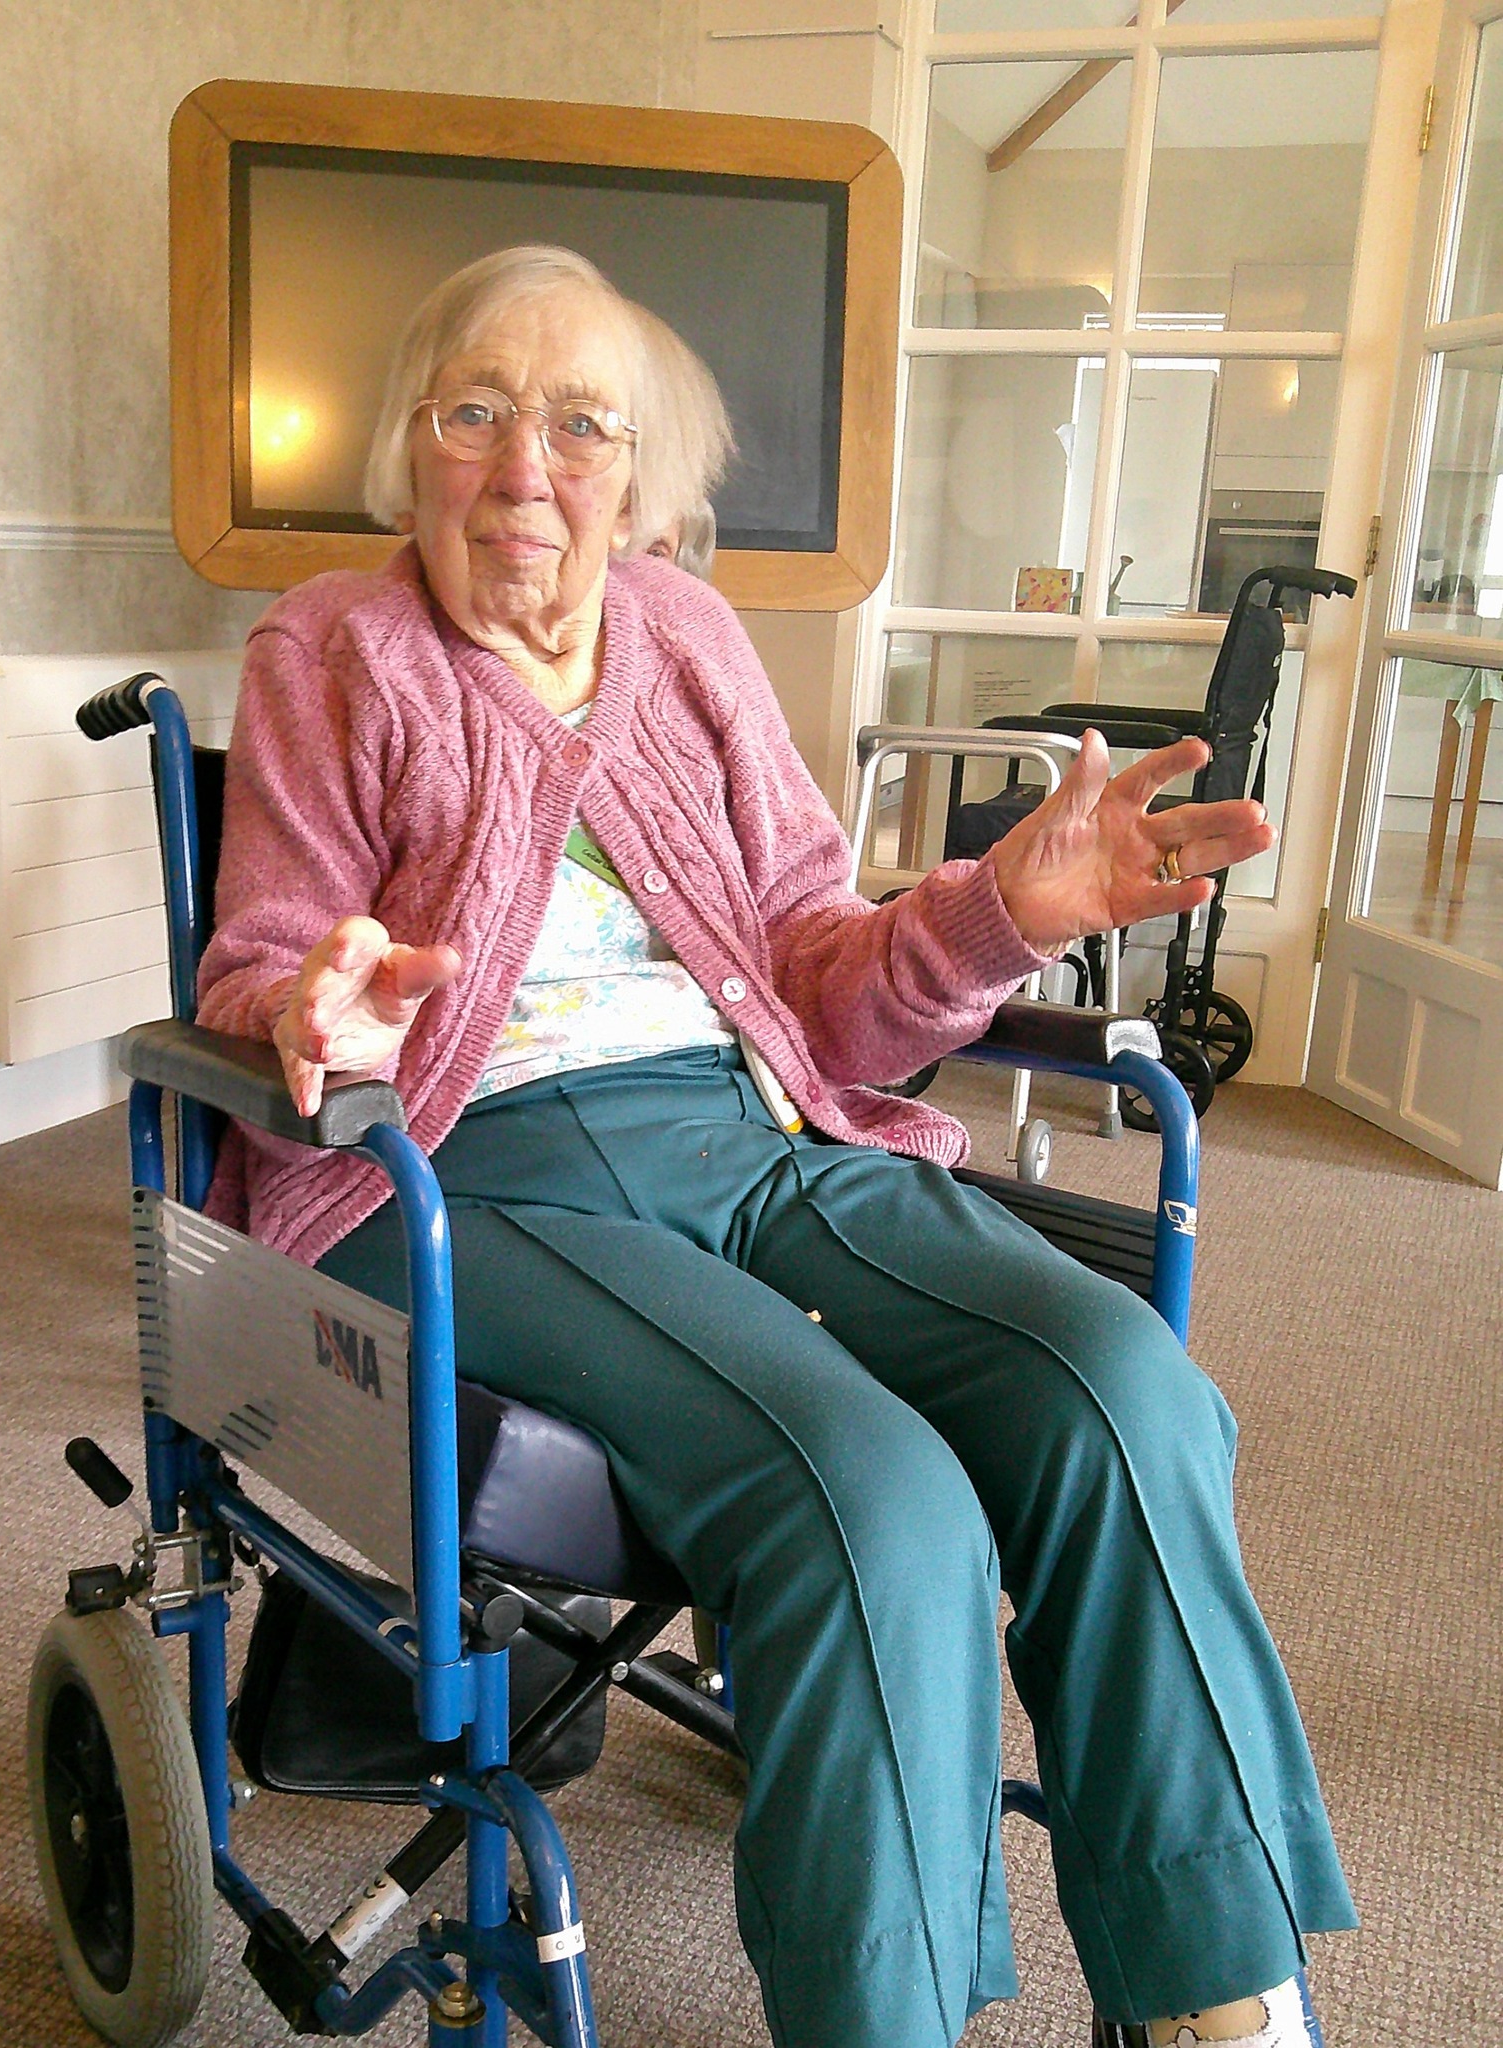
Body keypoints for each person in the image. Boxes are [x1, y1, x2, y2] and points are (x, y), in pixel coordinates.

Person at [196, 244, 1355, 2048]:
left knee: (1122, 1385)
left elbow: (823, 970)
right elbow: (264, 950)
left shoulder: (693, 640)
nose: (526, 467)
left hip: (755, 1123)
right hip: (459, 1170)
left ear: (644, 486)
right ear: (406, 454)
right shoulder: (331, 646)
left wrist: (992, 914)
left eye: (584, 425)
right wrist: (305, 1012)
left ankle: (1223, 1987)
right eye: (475, 412)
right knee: (866, 1485)